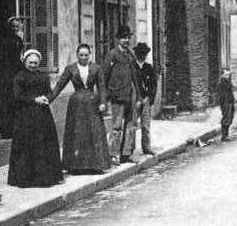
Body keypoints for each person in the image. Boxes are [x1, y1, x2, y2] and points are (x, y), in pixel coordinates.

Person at [48, 43, 110, 174]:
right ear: (77, 55)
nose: (83, 57)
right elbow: (60, 85)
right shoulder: (71, 69)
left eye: (86, 55)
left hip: (93, 104)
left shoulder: (96, 68)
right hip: (76, 105)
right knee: (77, 133)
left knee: (94, 132)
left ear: (89, 55)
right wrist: (49, 99)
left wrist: (103, 102)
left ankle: (95, 164)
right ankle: (76, 166)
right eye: (81, 55)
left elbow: (102, 86)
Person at [7, 49, 63, 187]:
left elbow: (50, 92)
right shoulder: (20, 76)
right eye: (30, 62)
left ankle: (44, 178)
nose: (33, 65)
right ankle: (26, 179)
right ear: (25, 62)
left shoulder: (43, 76)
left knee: (43, 144)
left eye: (35, 63)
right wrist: (34, 100)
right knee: (27, 146)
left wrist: (47, 99)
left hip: (43, 116)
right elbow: (17, 96)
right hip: (25, 116)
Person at [103, 25, 139, 165]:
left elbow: (135, 76)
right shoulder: (112, 54)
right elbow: (104, 76)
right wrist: (105, 96)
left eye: (128, 37)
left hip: (130, 95)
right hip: (117, 95)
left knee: (130, 125)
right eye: (123, 37)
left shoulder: (131, 55)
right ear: (118, 39)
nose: (126, 40)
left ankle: (126, 154)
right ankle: (113, 154)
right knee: (117, 126)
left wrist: (139, 95)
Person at [0, 16, 24, 139]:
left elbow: (19, 56)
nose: (14, 28)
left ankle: (15, 129)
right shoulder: (5, 40)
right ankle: (7, 130)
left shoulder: (19, 39)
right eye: (12, 26)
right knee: (7, 102)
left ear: (20, 27)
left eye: (17, 26)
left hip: (16, 72)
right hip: (7, 73)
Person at [133, 42, 158, 156]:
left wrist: (150, 98)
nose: (143, 55)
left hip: (146, 99)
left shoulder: (149, 68)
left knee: (146, 125)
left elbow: (153, 84)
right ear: (137, 54)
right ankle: (129, 150)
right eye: (140, 53)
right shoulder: (132, 67)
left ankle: (146, 147)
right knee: (132, 124)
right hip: (135, 100)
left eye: (145, 53)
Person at [219, 71, 236, 141]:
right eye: (226, 75)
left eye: (228, 75)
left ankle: (226, 135)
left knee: (230, 118)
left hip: (230, 102)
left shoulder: (227, 83)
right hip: (226, 102)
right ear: (222, 75)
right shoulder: (222, 84)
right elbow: (222, 95)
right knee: (226, 118)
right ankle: (224, 136)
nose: (228, 77)